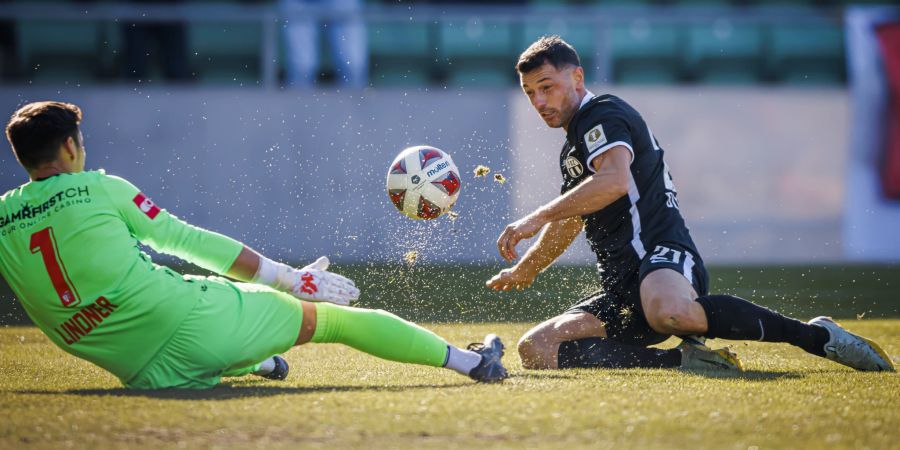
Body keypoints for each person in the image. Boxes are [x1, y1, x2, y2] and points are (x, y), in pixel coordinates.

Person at [0, 101, 507, 389]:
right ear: (70, 147)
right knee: (330, 319)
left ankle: (257, 360)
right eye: (81, 142)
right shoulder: (101, 187)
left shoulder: (4, 216)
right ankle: (473, 363)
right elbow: (186, 240)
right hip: (188, 326)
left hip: (136, 368)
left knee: (190, 288)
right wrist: (288, 278)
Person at [486, 36, 894, 373]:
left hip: (664, 258)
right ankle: (681, 360)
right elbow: (573, 215)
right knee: (537, 349)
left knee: (671, 312)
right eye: (530, 93)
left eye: (546, 86)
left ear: (577, 77)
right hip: (621, 287)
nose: (539, 101)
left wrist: (534, 217)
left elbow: (613, 182)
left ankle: (816, 337)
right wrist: (527, 268)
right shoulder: (574, 148)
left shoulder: (603, 114)